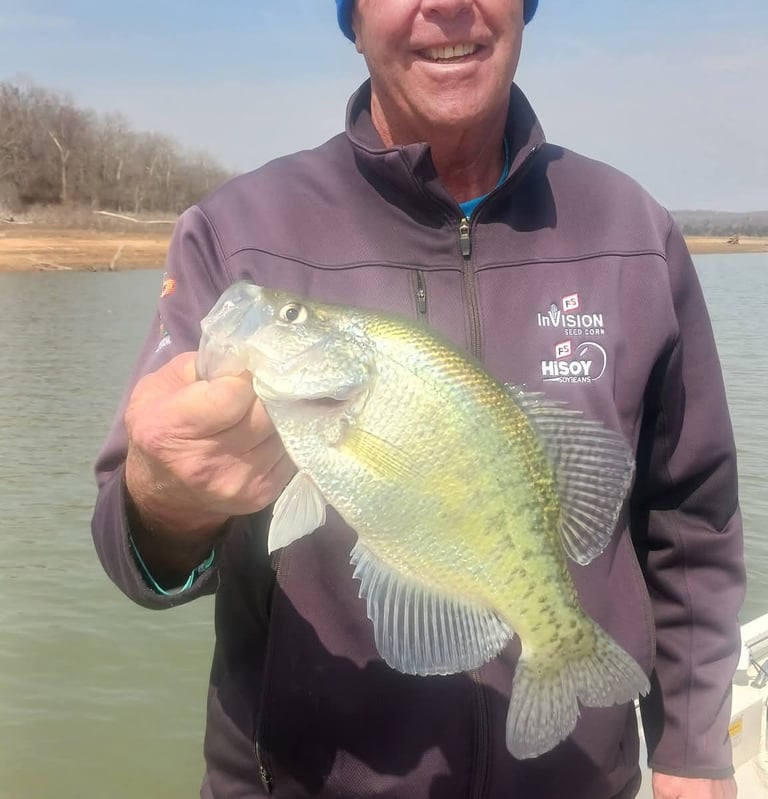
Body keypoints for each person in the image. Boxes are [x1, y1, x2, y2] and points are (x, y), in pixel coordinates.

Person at [91, 1, 745, 797]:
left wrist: (691, 744)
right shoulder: (236, 236)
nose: (444, 3)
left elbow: (690, 518)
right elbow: (133, 556)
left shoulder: (634, 232)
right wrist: (167, 495)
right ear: (352, 16)